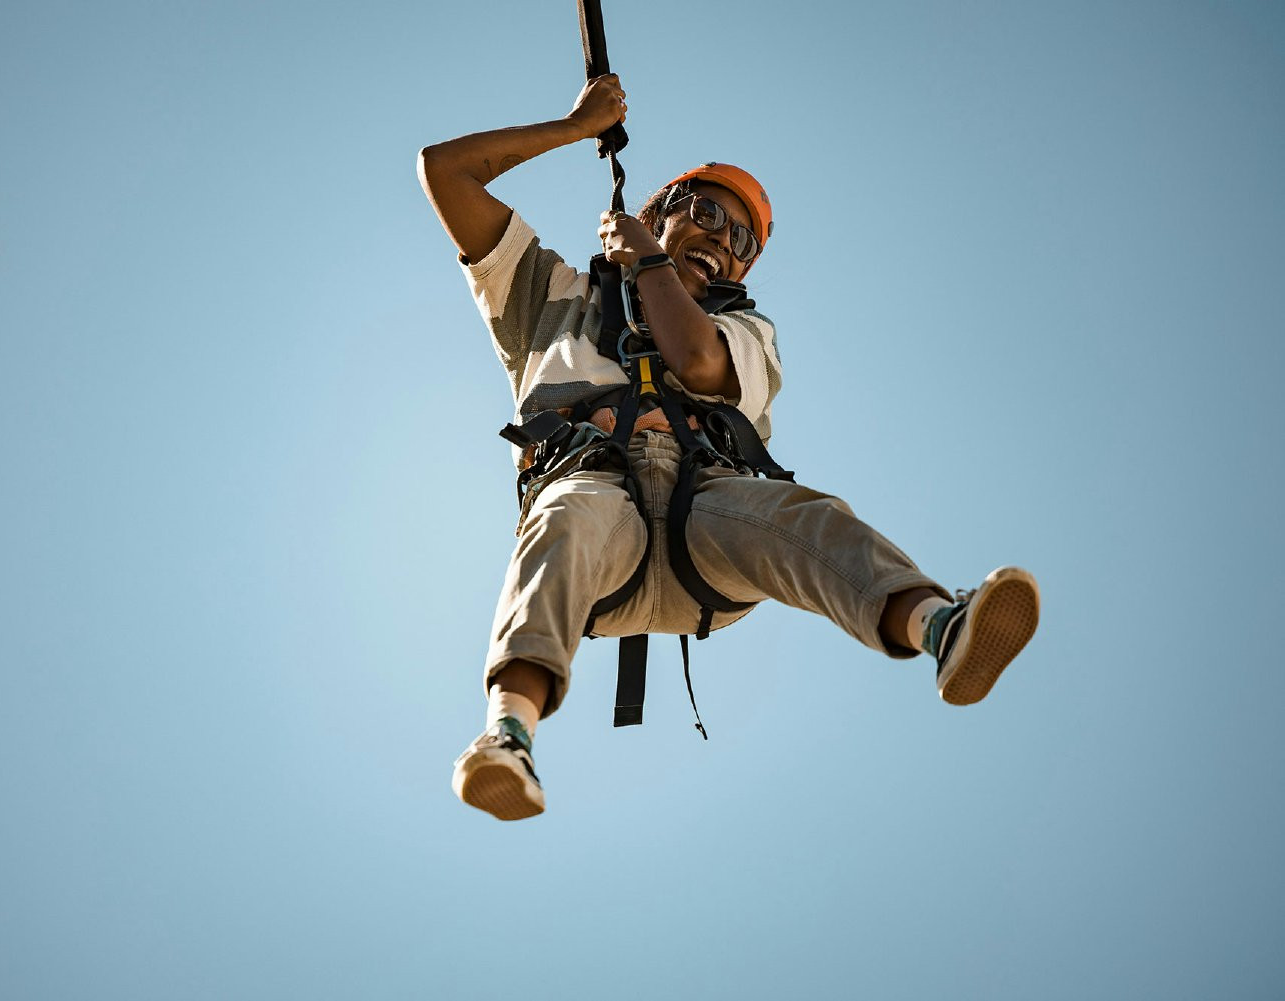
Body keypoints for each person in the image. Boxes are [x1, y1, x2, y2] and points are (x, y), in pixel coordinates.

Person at [417, 74, 1040, 822]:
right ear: (658, 211)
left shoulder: (749, 334)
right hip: (596, 511)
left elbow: (700, 364)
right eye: (707, 213)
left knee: (803, 517)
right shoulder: (549, 296)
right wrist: (577, 127)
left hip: (702, 522)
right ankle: (508, 735)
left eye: (741, 241)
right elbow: (445, 171)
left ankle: (939, 625)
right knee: (567, 516)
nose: (720, 239)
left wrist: (650, 260)